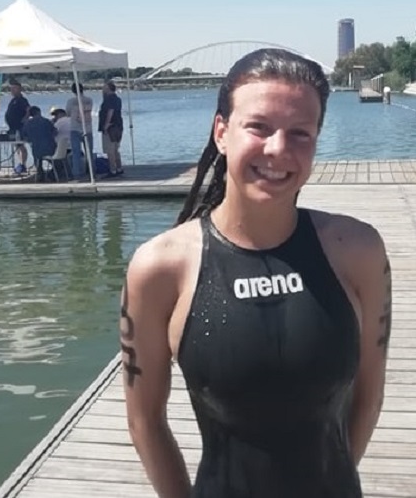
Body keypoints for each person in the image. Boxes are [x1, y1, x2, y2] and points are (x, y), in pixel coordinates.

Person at [120, 48, 391, 498]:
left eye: (300, 133)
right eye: (259, 127)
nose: (278, 149)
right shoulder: (161, 267)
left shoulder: (358, 250)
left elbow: (371, 395)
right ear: (221, 132)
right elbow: (144, 419)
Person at [66, 82, 93, 180]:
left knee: (76, 152)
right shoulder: (89, 100)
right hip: (88, 128)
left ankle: (77, 174)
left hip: (75, 128)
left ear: (73, 91)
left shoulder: (71, 101)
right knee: (89, 152)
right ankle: (91, 172)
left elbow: (68, 113)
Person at [22, 106, 56, 182]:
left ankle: (40, 174)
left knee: (37, 159)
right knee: (57, 160)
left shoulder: (28, 123)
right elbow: (55, 132)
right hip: (51, 148)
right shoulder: (46, 121)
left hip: (37, 149)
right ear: (39, 112)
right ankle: (52, 174)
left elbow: (24, 136)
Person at [98, 80, 124, 177]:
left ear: (108, 89)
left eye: (104, 88)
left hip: (110, 127)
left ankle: (113, 170)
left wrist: (106, 125)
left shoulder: (109, 99)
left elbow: (110, 111)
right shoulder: (117, 99)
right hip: (118, 126)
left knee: (110, 150)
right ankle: (119, 168)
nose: (102, 89)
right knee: (116, 149)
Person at [4, 80, 30, 171]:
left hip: (19, 127)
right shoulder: (13, 100)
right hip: (12, 128)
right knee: (17, 146)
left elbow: (28, 110)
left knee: (21, 145)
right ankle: (20, 163)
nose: (12, 90)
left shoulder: (22, 100)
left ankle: (23, 165)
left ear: (19, 89)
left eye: (14, 88)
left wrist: (24, 120)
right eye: (11, 89)